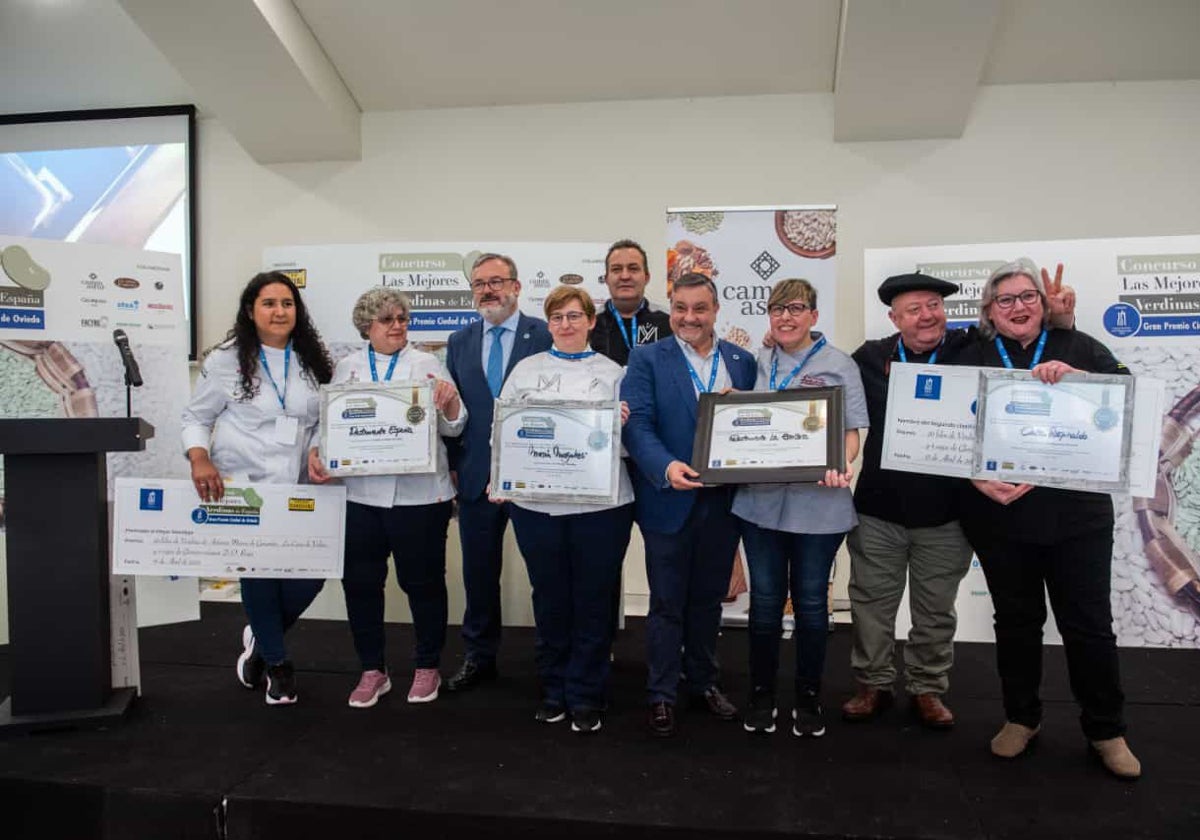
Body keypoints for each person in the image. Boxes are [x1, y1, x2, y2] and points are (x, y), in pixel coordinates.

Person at [844, 269, 1076, 728]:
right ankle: (872, 683)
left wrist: (1062, 321)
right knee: (871, 604)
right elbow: (829, 393)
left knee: (935, 608)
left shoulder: (973, 349)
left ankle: (928, 688)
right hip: (878, 511)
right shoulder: (869, 359)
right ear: (894, 318)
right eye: (915, 309)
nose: (928, 316)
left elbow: (1027, 335)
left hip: (948, 515)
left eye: (934, 305)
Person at [955, 258, 1139, 780]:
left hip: (1077, 516)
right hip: (999, 516)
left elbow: (1128, 395)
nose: (1019, 307)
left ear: (1045, 302)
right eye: (1006, 299)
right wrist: (974, 479)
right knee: (1015, 624)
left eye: (1028, 296)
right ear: (989, 310)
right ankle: (1021, 718)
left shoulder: (1079, 347)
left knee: (1089, 627)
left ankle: (1107, 730)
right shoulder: (971, 353)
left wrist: (1085, 381)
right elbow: (942, 430)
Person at [307, 289, 465, 708]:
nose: (397, 325)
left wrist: (449, 406)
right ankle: (372, 670)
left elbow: (455, 426)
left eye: (401, 318)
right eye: (387, 320)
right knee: (360, 584)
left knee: (424, 584)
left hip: (420, 498)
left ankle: (427, 666)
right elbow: (329, 424)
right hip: (360, 498)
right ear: (366, 327)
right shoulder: (347, 368)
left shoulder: (427, 363)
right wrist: (319, 452)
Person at [182, 271, 333, 705]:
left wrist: (320, 449)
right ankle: (279, 666)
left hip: (302, 488)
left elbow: (323, 420)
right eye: (269, 303)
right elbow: (196, 418)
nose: (279, 311)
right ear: (251, 311)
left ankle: (261, 636)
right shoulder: (225, 360)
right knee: (260, 573)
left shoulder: (312, 361)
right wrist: (199, 457)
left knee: (310, 578)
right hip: (245, 485)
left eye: (287, 303)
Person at [622, 271, 756, 737]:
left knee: (707, 601)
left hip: (723, 505)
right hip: (667, 500)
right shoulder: (646, 359)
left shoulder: (742, 361)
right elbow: (636, 425)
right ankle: (661, 693)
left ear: (716, 310)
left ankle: (703, 681)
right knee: (665, 603)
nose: (689, 318)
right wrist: (666, 467)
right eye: (680, 308)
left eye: (700, 308)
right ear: (671, 308)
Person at [497, 286, 635, 734]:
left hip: (601, 507)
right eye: (557, 317)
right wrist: (500, 478)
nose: (566, 324)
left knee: (593, 601)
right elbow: (504, 432)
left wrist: (624, 426)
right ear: (548, 323)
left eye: (575, 316)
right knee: (550, 598)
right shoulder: (525, 369)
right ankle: (554, 689)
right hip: (536, 507)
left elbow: (631, 448)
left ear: (592, 321)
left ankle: (587, 693)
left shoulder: (616, 373)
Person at [734, 279, 868, 737]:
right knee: (766, 603)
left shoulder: (839, 365)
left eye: (795, 309)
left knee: (811, 604)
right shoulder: (761, 359)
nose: (785, 317)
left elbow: (852, 430)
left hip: (819, 504)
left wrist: (841, 462)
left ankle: (808, 698)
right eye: (777, 309)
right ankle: (761, 695)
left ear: (813, 314)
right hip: (760, 503)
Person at [443, 253, 552, 691]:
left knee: (544, 574)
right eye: (479, 284)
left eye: (496, 281)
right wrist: (452, 466)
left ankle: (551, 660)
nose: (487, 290)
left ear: (517, 286)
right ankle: (479, 656)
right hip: (474, 476)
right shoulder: (460, 340)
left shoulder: (545, 335)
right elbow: (452, 410)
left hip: (533, 476)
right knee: (478, 574)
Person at [590, 239, 672, 366]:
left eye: (633, 269)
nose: (625, 276)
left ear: (646, 277)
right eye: (616, 269)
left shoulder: (669, 322)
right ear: (606, 279)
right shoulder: (590, 324)